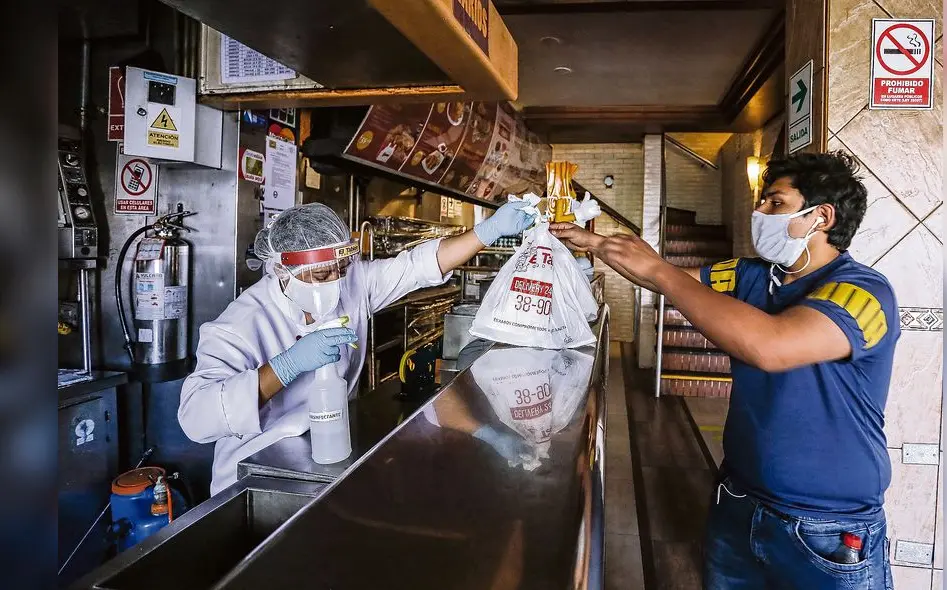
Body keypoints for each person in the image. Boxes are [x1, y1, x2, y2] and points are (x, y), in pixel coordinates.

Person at [550, 151, 899, 589]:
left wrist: (660, 270)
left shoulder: (863, 293)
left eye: (775, 203)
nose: (759, 212)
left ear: (822, 217)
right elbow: (663, 279)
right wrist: (597, 244)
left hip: (825, 529)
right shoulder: (751, 275)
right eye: (762, 201)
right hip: (738, 500)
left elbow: (771, 346)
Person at [179, 201, 534, 495]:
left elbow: (417, 266)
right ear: (281, 270)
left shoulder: (352, 283)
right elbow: (196, 420)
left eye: (341, 269)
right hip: (254, 474)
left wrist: (488, 230)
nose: (335, 283)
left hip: (328, 456)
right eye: (321, 276)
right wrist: (285, 367)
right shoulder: (241, 324)